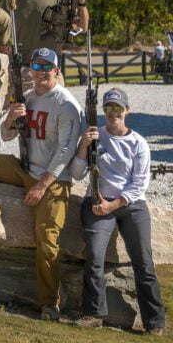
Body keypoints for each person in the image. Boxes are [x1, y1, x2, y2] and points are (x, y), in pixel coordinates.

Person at [0, 47, 83, 321]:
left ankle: (50, 303)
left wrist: (41, 186)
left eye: (45, 67)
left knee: (48, 241)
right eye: (35, 67)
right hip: (25, 168)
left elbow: (66, 151)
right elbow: (6, 137)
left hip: (53, 180)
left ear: (56, 71)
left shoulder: (66, 105)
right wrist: (9, 120)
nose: (39, 72)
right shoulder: (27, 98)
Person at [70, 88, 165, 333]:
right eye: (109, 108)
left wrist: (114, 204)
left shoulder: (139, 143)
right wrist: (83, 146)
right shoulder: (94, 136)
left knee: (143, 262)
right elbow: (77, 173)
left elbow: (140, 183)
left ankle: (154, 322)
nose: (114, 113)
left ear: (127, 111)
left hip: (130, 205)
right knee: (94, 256)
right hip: (98, 202)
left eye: (118, 108)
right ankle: (93, 313)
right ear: (103, 111)